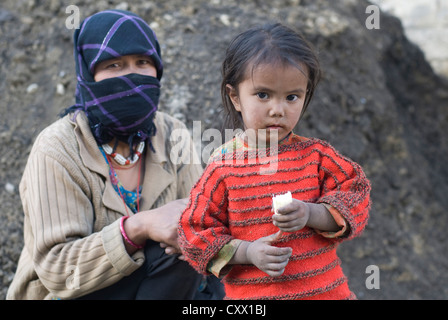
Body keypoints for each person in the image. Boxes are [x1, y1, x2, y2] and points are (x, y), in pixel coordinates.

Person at [7, 9, 223, 300]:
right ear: (88, 74)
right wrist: (139, 227)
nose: (131, 76)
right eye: (114, 65)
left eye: (142, 63)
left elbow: (201, 224)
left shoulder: (173, 134)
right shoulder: (57, 148)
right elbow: (59, 271)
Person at [178, 23, 371, 300]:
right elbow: (194, 232)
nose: (277, 110)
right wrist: (247, 252)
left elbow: (357, 193)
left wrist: (311, 213)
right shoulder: (223, 167)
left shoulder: (317, 157)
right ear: (236, 97)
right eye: (263, 94)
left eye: (292, 97)